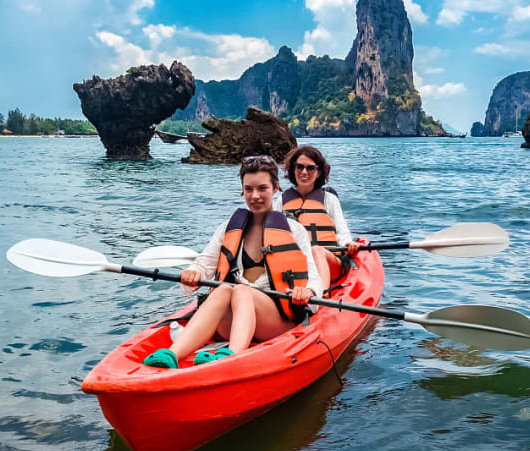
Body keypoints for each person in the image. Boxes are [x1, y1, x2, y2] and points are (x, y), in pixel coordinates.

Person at [143, 155, 322, 369]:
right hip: (233, 320)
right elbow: (204, 263)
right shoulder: (229, 228)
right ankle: (172, 355)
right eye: (248, 189)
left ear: (275, 188)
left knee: (240, 290)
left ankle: (232, 356)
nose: (255, 196)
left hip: (276, 320)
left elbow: (312, 276)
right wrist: (193, 272)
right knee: (223, 290)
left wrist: (308, 291)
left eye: (262, 188)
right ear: (242, 191)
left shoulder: (294, 230)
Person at [274, 146, 367, 291]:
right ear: (293, 169)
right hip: (298, 265)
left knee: (316, 250)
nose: (304, 172)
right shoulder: (282, 200)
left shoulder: (329, 199)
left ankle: (320, 294)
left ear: (318, 172)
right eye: (299, 167)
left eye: (310, 168)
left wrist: (348, 244)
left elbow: (342, 230)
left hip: (329, 262)